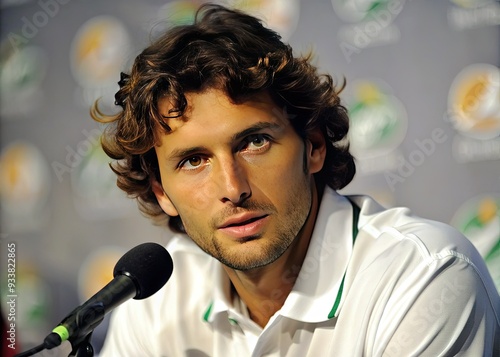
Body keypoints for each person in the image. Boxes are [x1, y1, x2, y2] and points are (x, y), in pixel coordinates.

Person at [93, 4, 500, 356]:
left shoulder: (422, 276)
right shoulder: (156, 298)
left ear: (314, 146)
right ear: (161, 192)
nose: (233, 189)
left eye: (254, 142)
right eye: (194, 160)